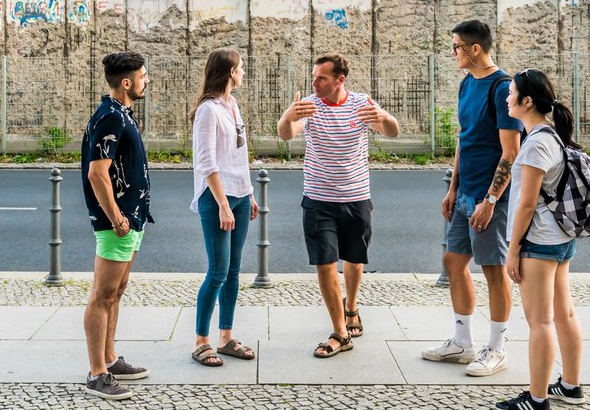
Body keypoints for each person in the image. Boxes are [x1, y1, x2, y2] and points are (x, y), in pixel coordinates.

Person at [277, 53, 400, 358]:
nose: (314, 82)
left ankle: (352, 305)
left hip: (356, 197)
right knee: (324, 263)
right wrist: (288, 116)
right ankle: (339, 332)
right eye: (313, 76)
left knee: (354, 261)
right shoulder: (309, 105)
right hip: (318, 199)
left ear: (339, 80)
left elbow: (393, 131)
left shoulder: (360, 103)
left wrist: (383, 117)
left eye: (321, 78)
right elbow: (286, 135)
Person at [423, 20, 521, 377]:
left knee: (494, 271)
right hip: (465, 193)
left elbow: (510, 152)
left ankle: (497, 349)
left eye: (456, 47)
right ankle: (462, 343)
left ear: (474, 49)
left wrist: (491, 199)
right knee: (453, 261)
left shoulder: (502, 87)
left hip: (491, 197)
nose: (453, 53)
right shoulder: (467, 84)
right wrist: (453, 189)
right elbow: (464, 139)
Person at [495, 68, 585, 410]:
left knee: (540, 322)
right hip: (561, 237)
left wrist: (514, 248)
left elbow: (527, 203)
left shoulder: (535, 144)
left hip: (539, 241)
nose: (507, 98)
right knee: (564, 313)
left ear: (527, 101)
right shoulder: (552, 135)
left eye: (512, 92)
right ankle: (571, 385)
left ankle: (536, 399)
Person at [80, 50, 154, 400]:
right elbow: (98, 173)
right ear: (127, 82)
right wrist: (116, 218)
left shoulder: (121, 113)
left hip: (131, 218)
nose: (147, 81)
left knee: (117, 290)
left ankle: (109, 358)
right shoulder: (110, 117)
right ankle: (97, 374)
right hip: (117, 222)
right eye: (143, 76)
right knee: (102, 294)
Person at [189, 48, 259, 368]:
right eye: (241, 68)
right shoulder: (208, 110)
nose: (243, 72)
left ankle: (226, 337)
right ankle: (201, 341)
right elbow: (207, 162)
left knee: (233, 270)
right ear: (230, 72)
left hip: (240, 196)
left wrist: (249, 194)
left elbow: (237, 156)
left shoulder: (232, 105)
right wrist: (222, 204)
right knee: (217, 270)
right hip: (217, 198)